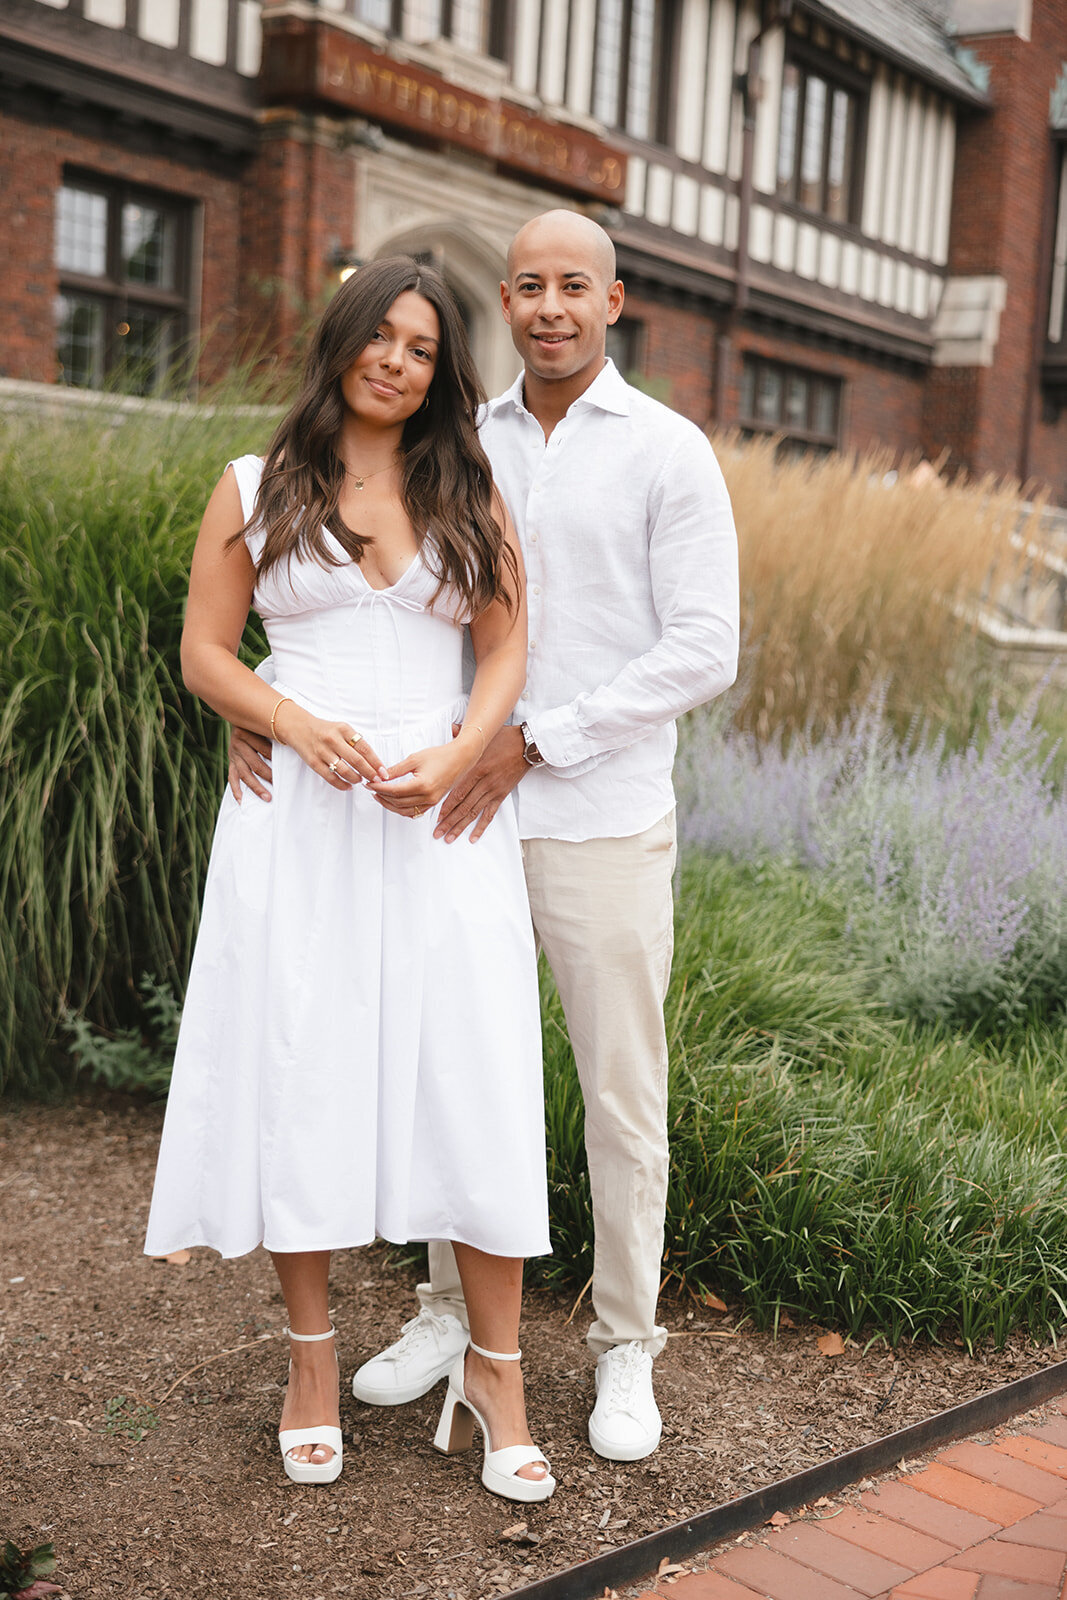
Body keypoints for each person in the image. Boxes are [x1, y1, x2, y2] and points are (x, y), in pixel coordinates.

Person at [230, 211, 740, 1463]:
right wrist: (265, 712)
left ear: (613, 302)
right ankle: (446, 1316)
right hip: (434, 817)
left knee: (617, 1092)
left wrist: (538, 736)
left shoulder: (668, 453)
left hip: (592, 815)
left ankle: (624, 1345)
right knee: (440, 1068)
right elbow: (362, 601)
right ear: (502, 305)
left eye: (576, 285)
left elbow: (702, 649)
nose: (551, 306)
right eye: (528, 287)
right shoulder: (456, 442)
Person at [144, 255, 556, 1503]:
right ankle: (311, 1362)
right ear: (339, 341)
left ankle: (497, 1374)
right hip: (299, 821)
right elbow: (203, 649)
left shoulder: (463, 478)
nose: (395, 358)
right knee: (302, 1065)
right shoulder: (252, 487)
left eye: (421, 346)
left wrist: (465, 748)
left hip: (436, 819)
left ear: (439, 372)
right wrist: (288, 715)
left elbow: (504, 643)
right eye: (379, 335)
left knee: (473, 1067)